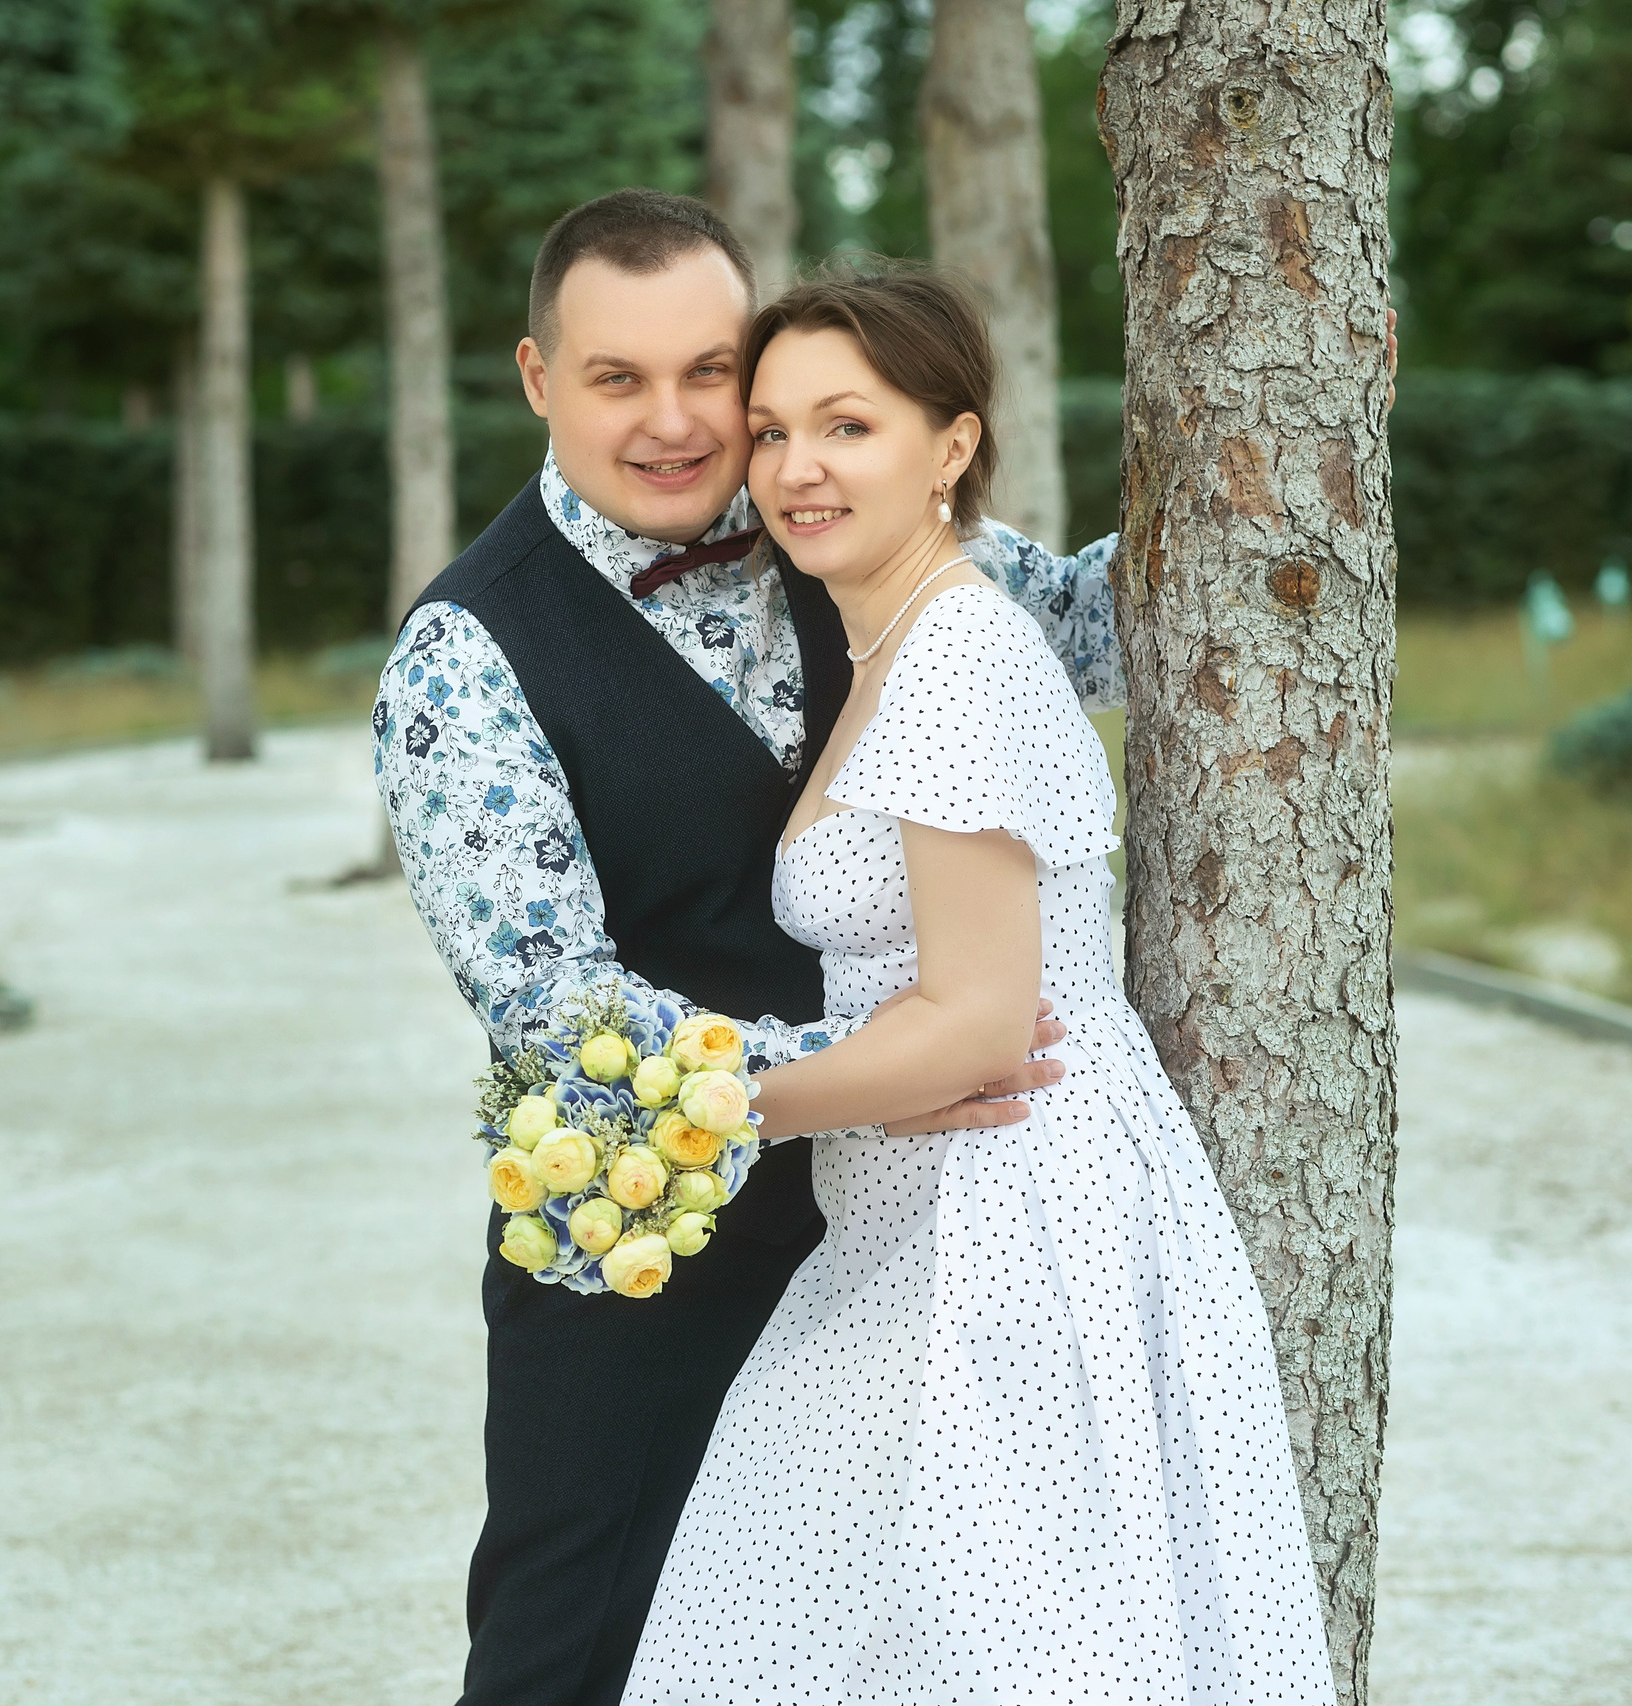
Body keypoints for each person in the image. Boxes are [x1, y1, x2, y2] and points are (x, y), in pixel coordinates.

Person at [373, 189, 1125, 1706]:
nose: (673, 423)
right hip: (652, 1249)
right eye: (617, 379)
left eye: (708, 372)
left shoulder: (842, 511)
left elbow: (1105, 625)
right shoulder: (463, 656)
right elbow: (558, 1014)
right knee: (571, 1653)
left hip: (913, 1240)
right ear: (537, 378)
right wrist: (893, 1066)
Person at [617, 268, 1336, 1702]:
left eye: (847, 426)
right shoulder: (890, 642)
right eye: (771, 432)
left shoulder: (957, 654)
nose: (796, 469)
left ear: (951, 445)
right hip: (916, 1206)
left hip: (1010, 1221)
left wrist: (704, 1106)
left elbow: (981, 1021)